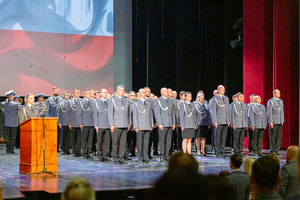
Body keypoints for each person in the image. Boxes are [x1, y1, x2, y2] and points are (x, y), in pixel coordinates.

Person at [108, 85, 131, 164]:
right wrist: (111, 124)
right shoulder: (113, 99)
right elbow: (110, 113)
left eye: (123, 90)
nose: (122, 91)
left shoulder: (126, 99)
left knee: (122, 143)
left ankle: (121, 158)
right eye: (121, 90)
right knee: (115, 142)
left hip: (125, 124)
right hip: (116, 124)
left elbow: (128, 112)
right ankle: (115, 158)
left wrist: (129, 123)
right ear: (117, 91)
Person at [154, 87, 175, 162]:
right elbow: (157, 113)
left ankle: (167, 155)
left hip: (169, 124)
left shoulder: (170, 100)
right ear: (161, 92)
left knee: (168, 141)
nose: (167, 92)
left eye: (167, 91)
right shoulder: (158, 100)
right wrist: (159, 123)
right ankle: (162, 155)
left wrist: (173, 123)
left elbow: (172, 113)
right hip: (163, 124)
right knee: (162, 141)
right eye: (165, 91)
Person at [133, 88, 154, 163]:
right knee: (140, 142)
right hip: (140, 125)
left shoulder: (148, 102)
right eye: (143, 92)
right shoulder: (136, 102)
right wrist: (136, 126)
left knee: (146, 142)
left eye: (145, 92)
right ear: (139, 93)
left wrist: (151, 124)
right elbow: (135, 115)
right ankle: (140, 157)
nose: (144, 93)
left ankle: (146, 157)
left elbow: (150, 114)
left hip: (147, 125)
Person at [211, 85, 230, 158]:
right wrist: (215, 121)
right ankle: (218, 151)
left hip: (225, 120)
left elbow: (228, 110)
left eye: (224, 89)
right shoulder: (215, 98)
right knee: (218, 137)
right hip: (218, 121)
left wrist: (228, 120)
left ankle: (222, 151)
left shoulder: (226, 98)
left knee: (224, 137)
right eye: (222, 89)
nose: (223, 90)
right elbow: (213, 111)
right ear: (218, 90)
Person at [94, 89, 111, 162]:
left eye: (106, 92)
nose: (105, 94)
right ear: (101, 93)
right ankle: (99, 156)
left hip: (107, 124)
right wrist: (96, 125)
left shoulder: (109, 102)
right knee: (100, 141)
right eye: (104, 92)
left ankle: (106, 155)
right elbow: (95, 115)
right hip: (100, 124)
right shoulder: (97, 102)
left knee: (107, 142)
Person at [77, 89, 94, 159]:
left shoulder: (93, 102)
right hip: (85, 123)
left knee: (90, 139)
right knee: (84, 139)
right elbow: (78, 114)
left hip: (91, 123)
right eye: (87, 93)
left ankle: (89, 152)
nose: (89, 95)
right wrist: (80, 123)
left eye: (90, 93)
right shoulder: (81, 102)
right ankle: (84, 152)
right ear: (84, 94)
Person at [267, 89, 284, 155]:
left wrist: (282, 120)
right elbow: (269, 112)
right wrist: (270, 121)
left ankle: (277, 150)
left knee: (279, 136)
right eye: (278, 93)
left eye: (279, 92)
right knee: (273, 136)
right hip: (274, 121)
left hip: (279, 121)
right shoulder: (271, 101)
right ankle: (272, 150)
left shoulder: (281, 101)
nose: (279, 94)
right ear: (274, 94)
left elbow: (282, 112)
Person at [46, 87, 63, 152]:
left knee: (59, 135)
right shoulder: (49, 99)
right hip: (52, 119)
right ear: (52, 91)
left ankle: (57, 148)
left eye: (57, 90)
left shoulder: (61, 99)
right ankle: (52, 146)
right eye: (55, 90)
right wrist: (47, 119)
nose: (56, 92)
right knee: (52, 135)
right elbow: (47, 110)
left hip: (60, 120)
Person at [145, 87, 157, 157]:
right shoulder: (140, 101)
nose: (148, 93)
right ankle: (144, 154)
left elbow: (154, 112)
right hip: (144, 123)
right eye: (147, 91)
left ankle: (149, 154)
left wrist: (155, 122)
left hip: (151, 122)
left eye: (149, 91)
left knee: (150, 139)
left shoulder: (152, 101)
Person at [69, 88, 82, 157]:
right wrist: (69, 122)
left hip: (80, 123)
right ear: (73, 94)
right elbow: (68, 113)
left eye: (78, 92)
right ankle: (74, 151)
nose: (78, 93)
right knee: (74, 138)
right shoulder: (70, 101)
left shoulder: (81, 101)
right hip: (73, 122)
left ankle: (79, 151)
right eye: (76, 92)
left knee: (79, 139)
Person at [126, 91, 137, 158]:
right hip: (129, 124)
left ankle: (133, 152)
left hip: (135, 124)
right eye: (132, 95)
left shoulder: (136, 103)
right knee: (128, 140)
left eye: (134, 95)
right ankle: (127, 153)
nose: (134, 96)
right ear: (129, 96)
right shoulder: (127, 103)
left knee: (134, 139)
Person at [168, 88, 179, 154]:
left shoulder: (174, 101)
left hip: (173, 121)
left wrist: (176, 121)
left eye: (171, 92)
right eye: (169, 92)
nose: (171, 93)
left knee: (172, 136)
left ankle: (171, 149)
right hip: (166, 121)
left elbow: (176, 112)